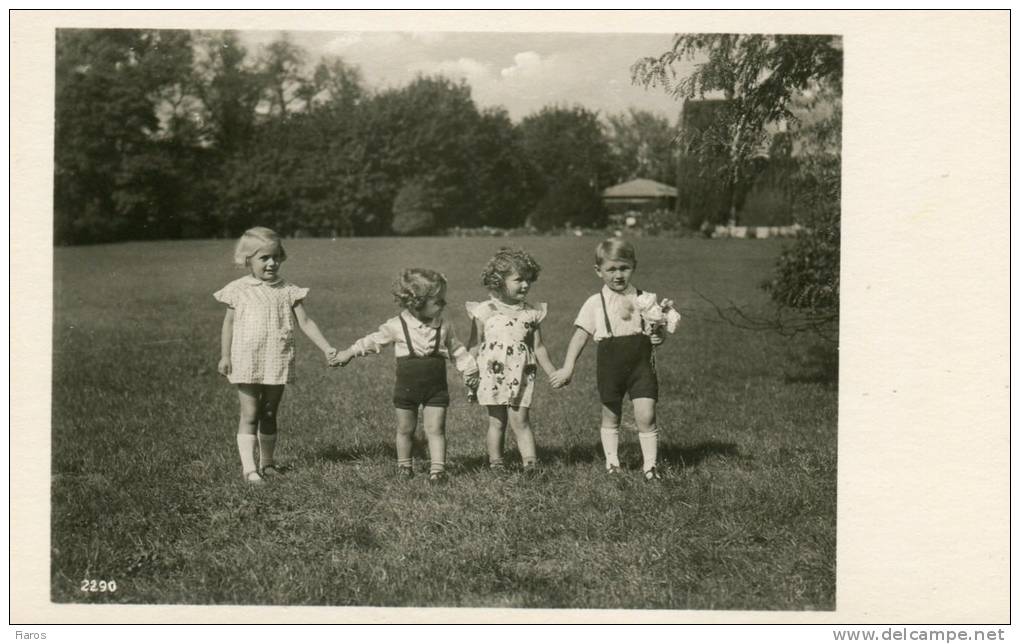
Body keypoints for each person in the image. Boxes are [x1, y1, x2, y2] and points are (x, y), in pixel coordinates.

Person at [214, 227, 338, 484]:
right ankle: (249, 469)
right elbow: (228, 324)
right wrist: (225, 355)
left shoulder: (288, 289)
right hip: (246, 359)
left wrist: (326, 347)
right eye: (264, 258)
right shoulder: (237, 289)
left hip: (277, 358)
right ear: (248, 259)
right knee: (250, 413)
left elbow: (305, 322)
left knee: (269, 413)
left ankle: (267, 464)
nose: (272, 263)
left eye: (276, 257)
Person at [331, 269, 479, 484]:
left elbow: (456, 349)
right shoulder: (396, 325)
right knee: (405, 429)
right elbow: (374, 341)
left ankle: (438, 471)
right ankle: (404, 466)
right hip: (407, 388)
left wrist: (470, 369)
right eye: (438, 301)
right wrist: (350, 353)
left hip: (436, 388)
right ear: (416, 303)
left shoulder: (444, 326)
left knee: (436, 429)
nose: (444, 304)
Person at [550, 238, 680, 482]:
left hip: (641, 366)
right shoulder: (595, 303)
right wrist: (568, 367)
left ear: (634, 266)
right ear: (599, 271)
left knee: (646, 414)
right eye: (611, 269)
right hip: (611, 366)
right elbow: (579, 336)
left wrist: (658, 337)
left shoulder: (645, 300)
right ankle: (613, 463)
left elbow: (656, 331)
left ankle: (650, 467)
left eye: (624, 268)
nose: (618, 275)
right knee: (611, 414)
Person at [467, 248, 557, 473]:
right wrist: (469, 371)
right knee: (497, 421)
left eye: (529, 280)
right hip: (492, 375)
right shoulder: (484, 311)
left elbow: (538, 347)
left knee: (521, 420)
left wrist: (552, 371)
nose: (525, 285)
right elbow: (474, 345)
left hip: (521, 375)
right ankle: (496, 465)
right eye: (519, 280)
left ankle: (531, 466)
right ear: (498, 281)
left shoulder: (531, 312)